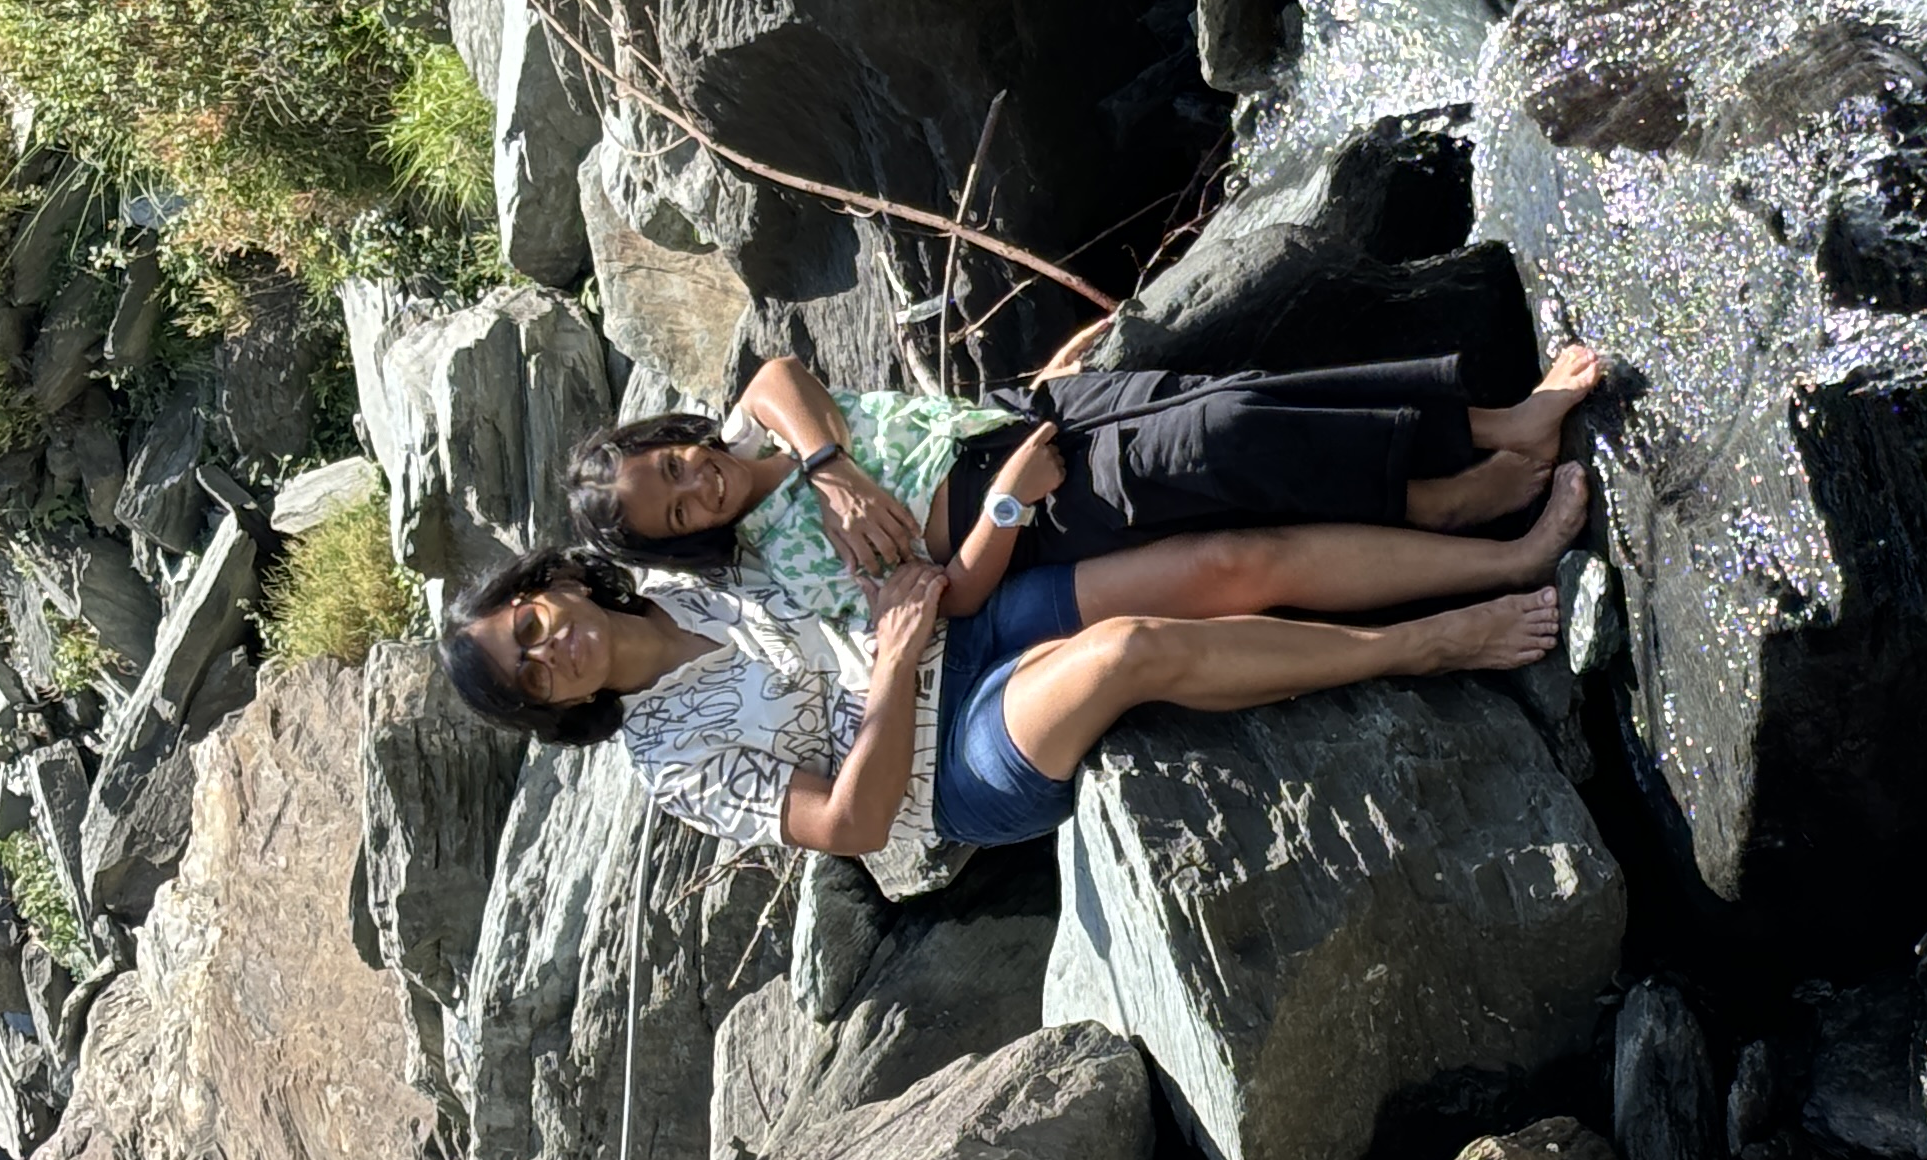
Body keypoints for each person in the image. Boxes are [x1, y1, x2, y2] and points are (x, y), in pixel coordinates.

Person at [439, 469, 1591, 858]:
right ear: (562, 708)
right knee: (1128, 653)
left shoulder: (678, 572)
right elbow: (850, 825)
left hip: (960, 625)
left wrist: (835, 469)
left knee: (1222, 559)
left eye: (531, 627)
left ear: (546, 589)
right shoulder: (671, 760)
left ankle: (1496, 548)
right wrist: (892, 666)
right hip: (950, 769)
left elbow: (746, 419)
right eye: (535, 675)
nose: (554, 649)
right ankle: (1431, 644)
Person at [563, 324, 1606, 634]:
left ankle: (1499, 420)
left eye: (671, 464)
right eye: (677, 510)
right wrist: (1011, 501)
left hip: (1030, 412)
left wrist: (830, 465)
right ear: (679, 543)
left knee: (1236, 391)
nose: (696, 484)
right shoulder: (786, 569)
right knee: (1229, 435)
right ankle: (1452, 503)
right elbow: (949, 600)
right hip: (1029, 501)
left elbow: (779, 374)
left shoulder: (758, 431)